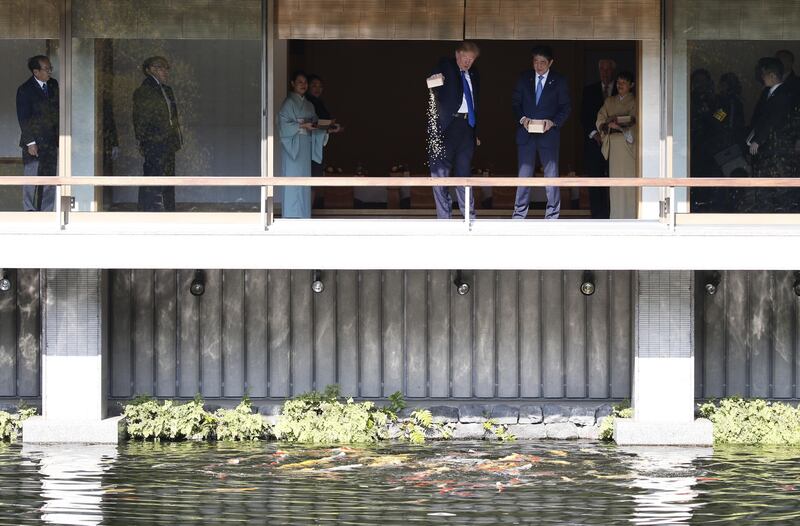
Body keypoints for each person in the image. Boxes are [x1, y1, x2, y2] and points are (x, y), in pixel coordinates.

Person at [512, 45, 571, 219]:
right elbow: (515, 103)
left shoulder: (559, 80)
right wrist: (523, 119)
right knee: (524, 175)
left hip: (548, 134)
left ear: (551, 63)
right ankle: (519, 214)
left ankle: (552, 214)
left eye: (543, 62)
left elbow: (565, 107)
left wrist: (553, 122)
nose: (539, 66)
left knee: (551, 174)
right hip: (526, 134)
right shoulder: (524, 78)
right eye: (536, 61)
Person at [426, 41, 480, 219]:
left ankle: (469, 217)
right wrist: (435, 79)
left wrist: (475, 132)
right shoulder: (447, 66)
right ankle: (444, 218)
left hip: (466, 127)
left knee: (464, 174)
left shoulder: (473, 73)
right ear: (457, 55)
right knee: (440, 174)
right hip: (447, 127)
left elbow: (475, 104)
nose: (467, 62)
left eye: (471, 59)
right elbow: (433, 79)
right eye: (465, 58)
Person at [746, 57, 795, 212]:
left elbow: (772, 120)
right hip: (769, 148)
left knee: (778, 184)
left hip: (777, 148)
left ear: (773, 75)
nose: (762, 79)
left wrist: (758, 140)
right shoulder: (768, 93)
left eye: (764, 75)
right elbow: (760, 118)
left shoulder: (782, 94)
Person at [133, 56, 182, 212]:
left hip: (168, 141)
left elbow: (172, 117)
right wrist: (144, 140)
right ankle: (149, 211)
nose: (166, 71)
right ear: (151, 69)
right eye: (163, 67)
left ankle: (168, 210)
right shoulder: (144, 90)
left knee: (168, 177)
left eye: (167, 68)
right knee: (152, 176)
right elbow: (140, 118)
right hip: (154, 142)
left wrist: (176, 138)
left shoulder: (167, 90)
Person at [278, 71, 328, 218]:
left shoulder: (309, 105)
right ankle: (291, 214)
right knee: (293, 179)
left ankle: (304, 214)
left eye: (305, 82)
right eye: (299, 82)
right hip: (294, 144)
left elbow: (315, 123)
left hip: (306, 145)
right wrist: (302, 126)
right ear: (292, 84)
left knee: (305, 179)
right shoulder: (288, 103)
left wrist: (327, 128)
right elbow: (284, 125)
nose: (303, 85)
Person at [16, 55, 58, 212]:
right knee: (31, 179)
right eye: (46, 69)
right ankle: (29, 211)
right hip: (33, 142)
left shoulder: (53, 85)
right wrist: (30, 142)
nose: (50, 72)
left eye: (50, 68)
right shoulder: (25, 89)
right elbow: (23, 118)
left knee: (50, 179)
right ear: (35, 72)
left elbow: (58, 112)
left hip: (51, 141)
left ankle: (46, 211)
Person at [596, 71, 638, 219]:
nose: (620, 85)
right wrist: (608, 124)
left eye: (624, 83)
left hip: (628, 146)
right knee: (616, 185)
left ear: (631, 85)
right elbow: (601, 118)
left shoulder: (635, 102)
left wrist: (618, 125)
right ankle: (616, 217)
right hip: (614, 146)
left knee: (629, 184)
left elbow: (635, 121)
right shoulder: (609, 101)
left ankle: (632, 216)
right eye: (618, 82)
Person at [580, 59, 616, 219]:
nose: (605, 72)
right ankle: (597, 216)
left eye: (608, 69)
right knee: (595, 178)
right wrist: (594, 134)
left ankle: (613, 214)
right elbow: (584, 116)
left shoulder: (621, 88)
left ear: (613, 71)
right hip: (594, 143)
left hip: (616, 143)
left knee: (614, 179)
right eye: (602, 69)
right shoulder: (589, 90)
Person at [306, 74, 343, 179]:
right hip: (309, 142)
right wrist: (328, 125)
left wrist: (331, 127)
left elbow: (322, 123)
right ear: (308, 86)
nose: (318, 89)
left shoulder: (319, 102)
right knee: (311, 176)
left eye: (320, 86)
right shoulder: (308, 102)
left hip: (319, 139)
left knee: (315, 176)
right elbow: (312, 123)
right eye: (314, 85)